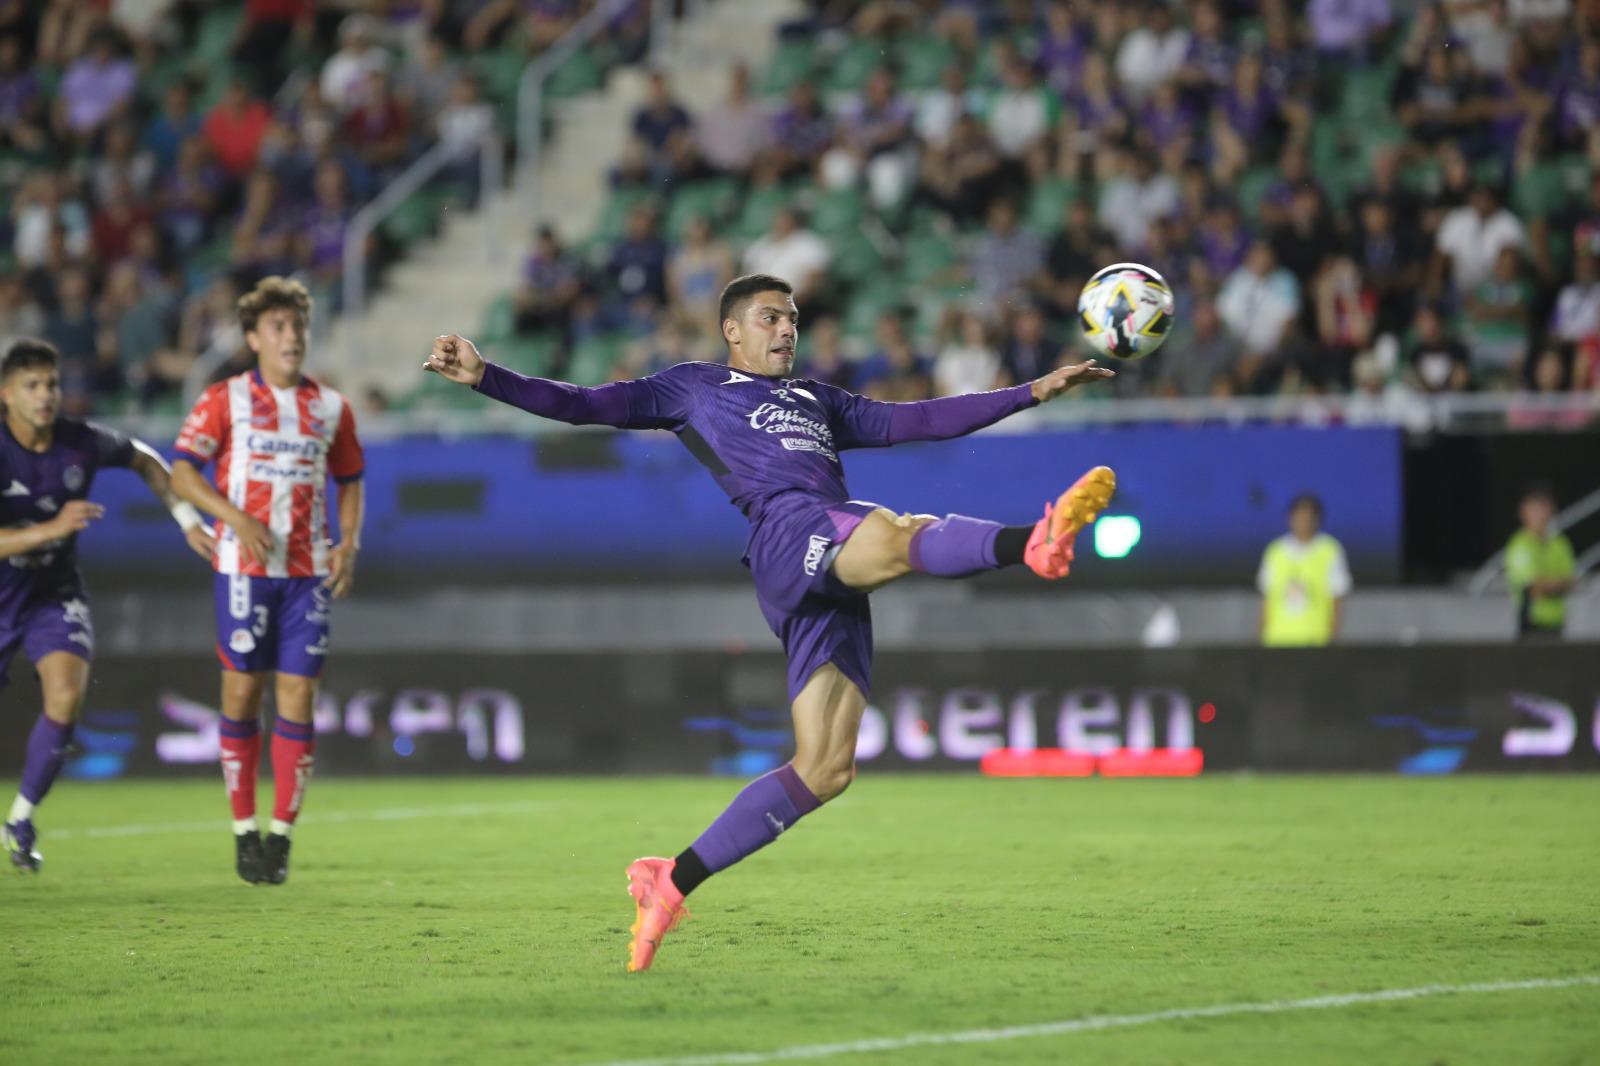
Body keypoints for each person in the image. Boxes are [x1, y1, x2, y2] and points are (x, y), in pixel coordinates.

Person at [423, 273, 1118, 972]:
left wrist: (1032, 391)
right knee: (896, 531)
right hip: (789, 531)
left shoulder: (818, 399)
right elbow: (581, 404)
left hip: (826, 569)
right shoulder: (693, 387)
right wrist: (486, 376)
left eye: (792, 318)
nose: (787, 329)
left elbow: (923, 419)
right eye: (770, 318)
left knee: (826, 768)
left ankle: (671, 879)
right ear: (732, 330)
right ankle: (1031, 541)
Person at [170, 277, 365, 886]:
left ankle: (280, 837)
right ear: (253, 337)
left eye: (298, 327)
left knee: (299, 697)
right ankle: (241, 829)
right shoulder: (224, 399)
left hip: (306, 575)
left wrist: (348, 543)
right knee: (239, 697)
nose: (291, 338)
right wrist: (232, 518)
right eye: (278, 328)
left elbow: (350, 476)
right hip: (243, 573)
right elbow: (182, 470)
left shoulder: (331, 407)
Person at [1, 339, 214, 872]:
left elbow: (145, 460)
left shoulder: (82, 442)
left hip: (54, 590)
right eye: (33, 385)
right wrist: (52, 528)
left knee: (67, 695)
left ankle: (20, 821)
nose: (47, 395)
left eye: (51, 383)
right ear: (6, 394)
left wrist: (187, 521)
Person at [1257, 493, 1351, 647]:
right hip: (1277, 641)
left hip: (1315, 640)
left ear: (1317, 520)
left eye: (1308, 518)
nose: (1303, 522)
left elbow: (1337, 599)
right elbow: (1266, 601)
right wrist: (1260, 638)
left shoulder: (1330, 550)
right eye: (1299, 517)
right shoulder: (1275, 551)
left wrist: (1333, 638)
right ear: (1290, 518)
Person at [1505, 486, 1575, 638]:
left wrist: (1547, 585)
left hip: (1558, 623)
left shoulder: (1559, 543)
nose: (1540, 515)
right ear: (1523, 513)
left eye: (1543, 509)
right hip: (1531, 624)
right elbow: (1531, 585)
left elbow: (1570, 582)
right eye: (1534, 509)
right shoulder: (1519, 544)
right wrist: (1557, 584)